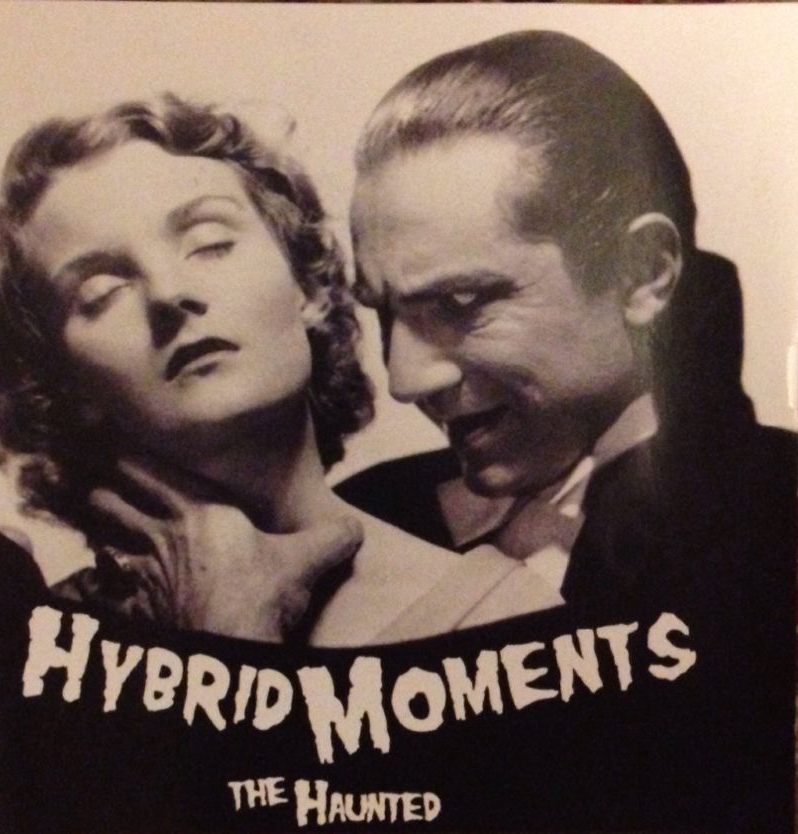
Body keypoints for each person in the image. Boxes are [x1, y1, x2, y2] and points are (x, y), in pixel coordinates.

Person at [339, 31, 795, 829]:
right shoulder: (359, 521)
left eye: (459, 304)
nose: (404, 379)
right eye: (385, 314)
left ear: (643, 273)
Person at [0, 94, 530, 648]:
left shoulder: (497, 620)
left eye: (210, 243)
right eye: (101, 292)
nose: (168, 293)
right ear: (63, 387)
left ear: (306, 284)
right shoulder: (31, 644)